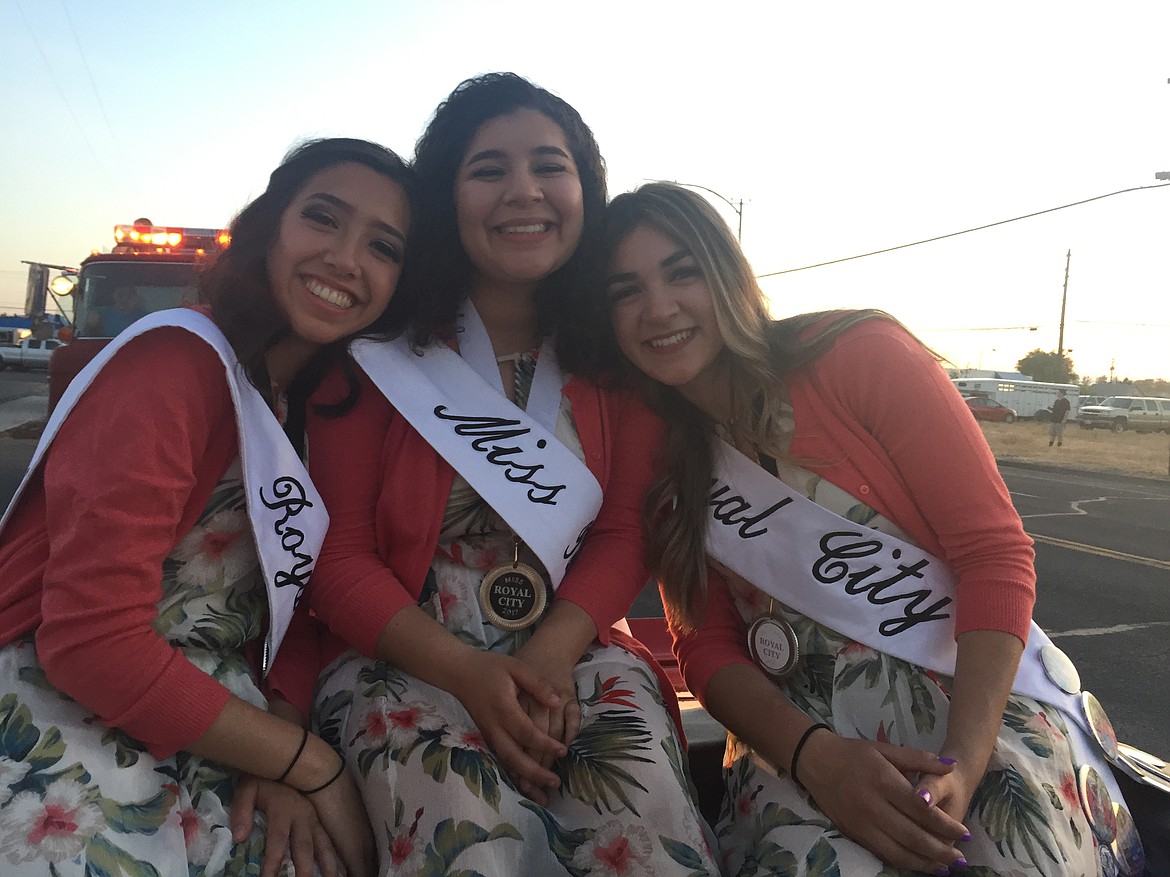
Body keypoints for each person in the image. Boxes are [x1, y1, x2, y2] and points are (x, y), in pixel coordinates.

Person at [574, 182, 1142, 876]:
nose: (658, 308)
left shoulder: (856, 355)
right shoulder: (660, 457)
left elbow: (993, 554)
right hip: (801, 741)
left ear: (727, 273)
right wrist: (816, 757)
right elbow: (706, 644)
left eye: (682, 271)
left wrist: (963, 766)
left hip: (969, 710)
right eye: (625, 291)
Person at [305, 75, 719, 876]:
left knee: (643, 816)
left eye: (548, 165)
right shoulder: (374, 354)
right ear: (446, 197)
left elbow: (626, 530)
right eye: (488, 169)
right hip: (403, 655)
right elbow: (339, 556)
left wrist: (550, 653)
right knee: (463, 827)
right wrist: (465, 670)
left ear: (583, 190)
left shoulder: (615, 354)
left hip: (572, 650)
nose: (522, 191)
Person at [0, 138, 415, 877]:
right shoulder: (174, 365)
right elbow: (89, 639)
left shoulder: (308, 406)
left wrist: (277, 746)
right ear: (268, 229)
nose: (348, 258)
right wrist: (309, 763)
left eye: (382, 246)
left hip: (214, 715)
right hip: (65, 693)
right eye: (323, 218)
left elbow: (287, 612)